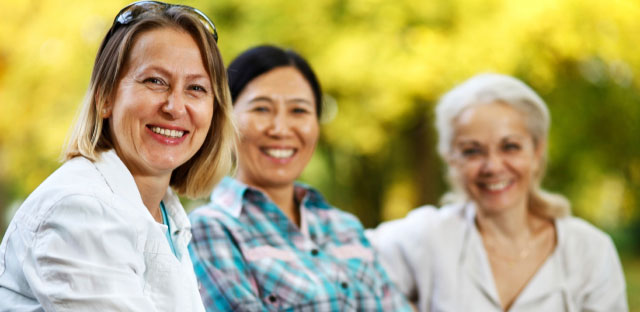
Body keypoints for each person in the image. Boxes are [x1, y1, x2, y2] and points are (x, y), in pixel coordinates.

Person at [0, 1, 235, 311]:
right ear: (105, 97)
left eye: (196, 88)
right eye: (155, 81)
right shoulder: (80, 210)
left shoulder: (164, 213)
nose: (175, 107)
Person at [367, 73, 628, 311]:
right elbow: (338, 258)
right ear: (451, 160)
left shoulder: (589, 251)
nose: (492, 167)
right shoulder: (428, 237)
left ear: (537, 152)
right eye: (472, 151)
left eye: (510, 147)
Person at [187, 45, 412, 311]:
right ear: (225, 118)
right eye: (262, 109)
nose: (281, 129)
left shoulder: (345, 227)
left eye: (299, 111)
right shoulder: (209, 229)